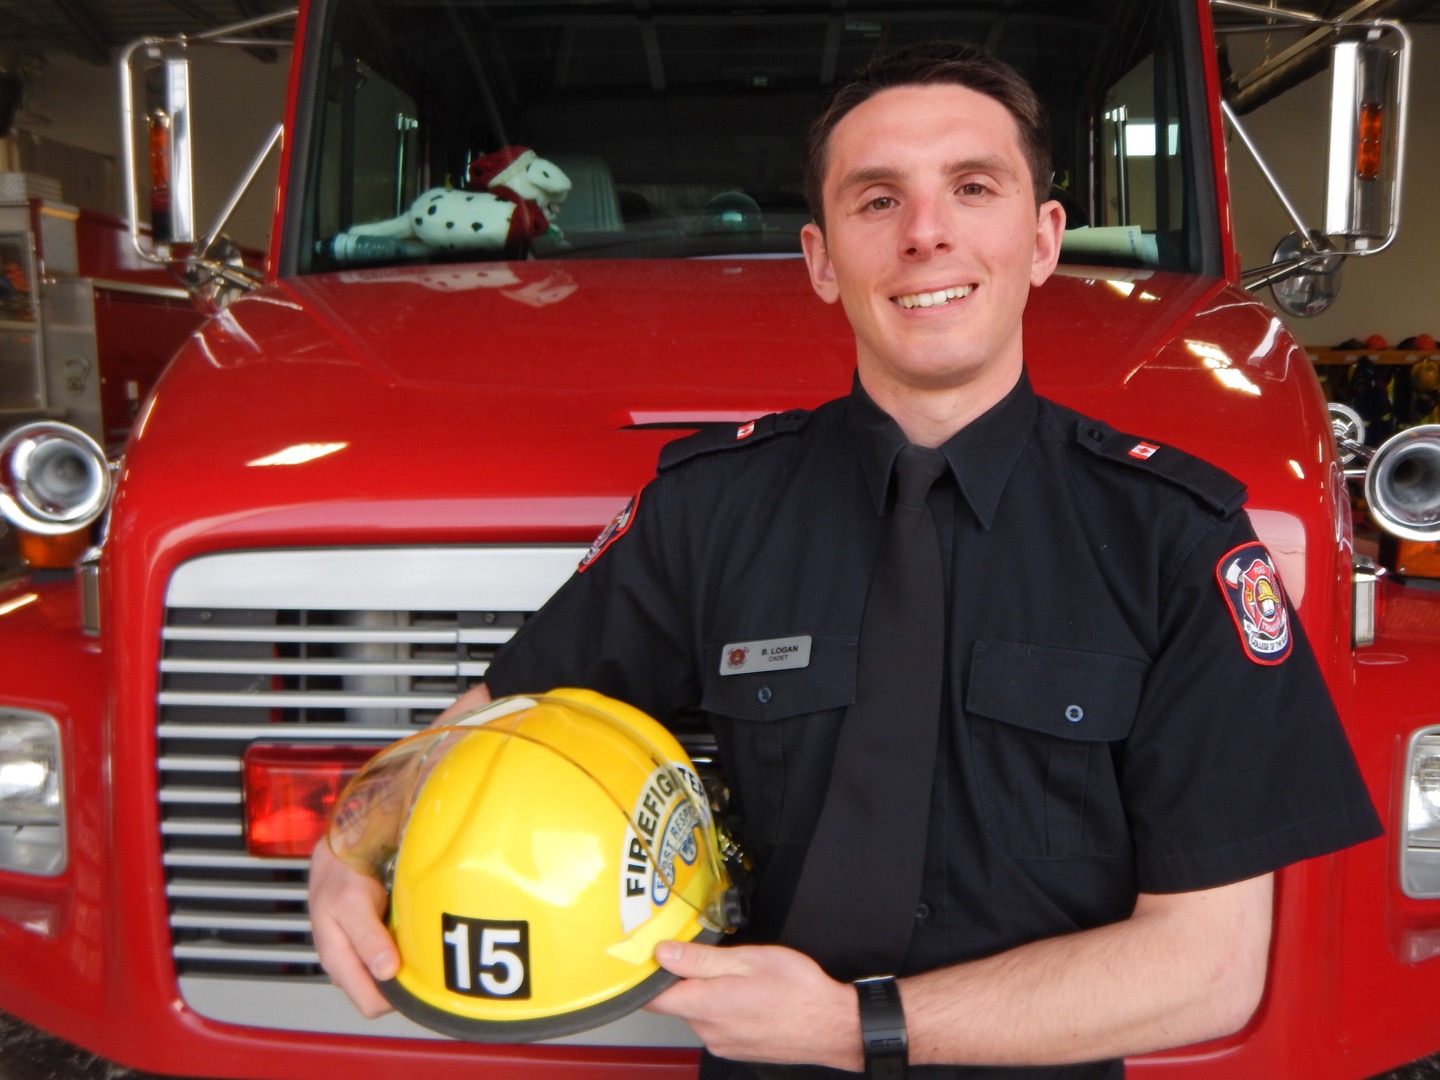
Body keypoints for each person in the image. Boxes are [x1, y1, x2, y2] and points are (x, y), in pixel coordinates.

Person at [309, 39, 1381, 1079]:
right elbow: (483, 727)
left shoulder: (1177, 540)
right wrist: (347, 852)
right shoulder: (712, 511)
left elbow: (1209, 971)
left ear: (1044, 238)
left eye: (973, 188)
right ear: (822, 259)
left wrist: (854, 1028)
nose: (926, 234)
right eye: (877, 199)